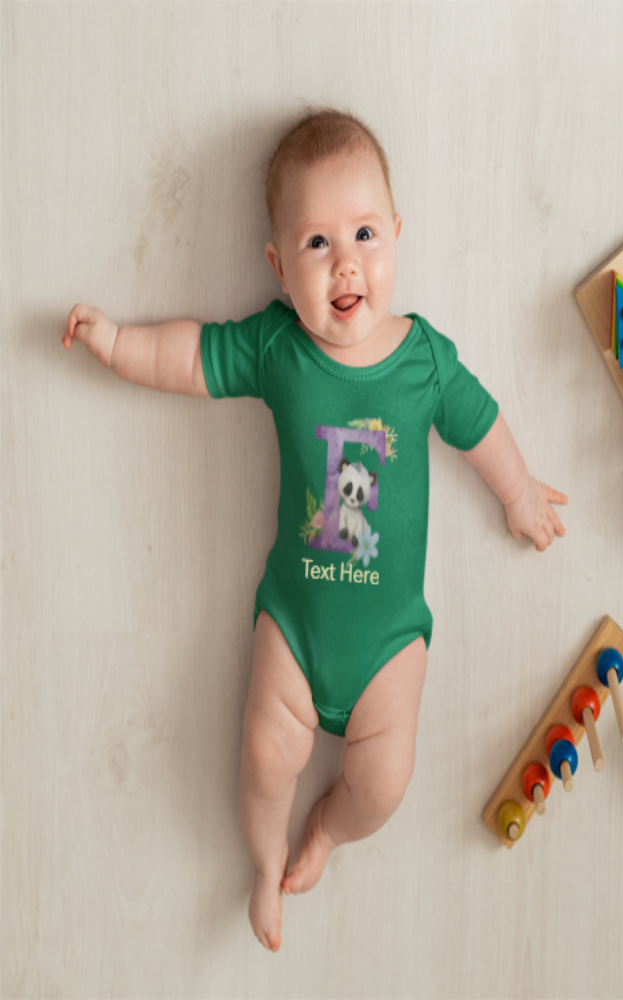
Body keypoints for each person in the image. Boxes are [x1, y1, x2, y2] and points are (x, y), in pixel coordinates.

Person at [62, 108, 567, 952]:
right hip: (293, 631)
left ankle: (326, 832)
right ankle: (266, 864)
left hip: (390, 645)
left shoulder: (424, 360)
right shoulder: (278, 348)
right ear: (279, 267)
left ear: (398, 235)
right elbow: (192, 356)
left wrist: (516, 494)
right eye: (317, 244)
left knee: (385, 782)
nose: (346, 264)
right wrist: (117, 344)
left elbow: (479, 420)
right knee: (264, 759)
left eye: (365, 233)